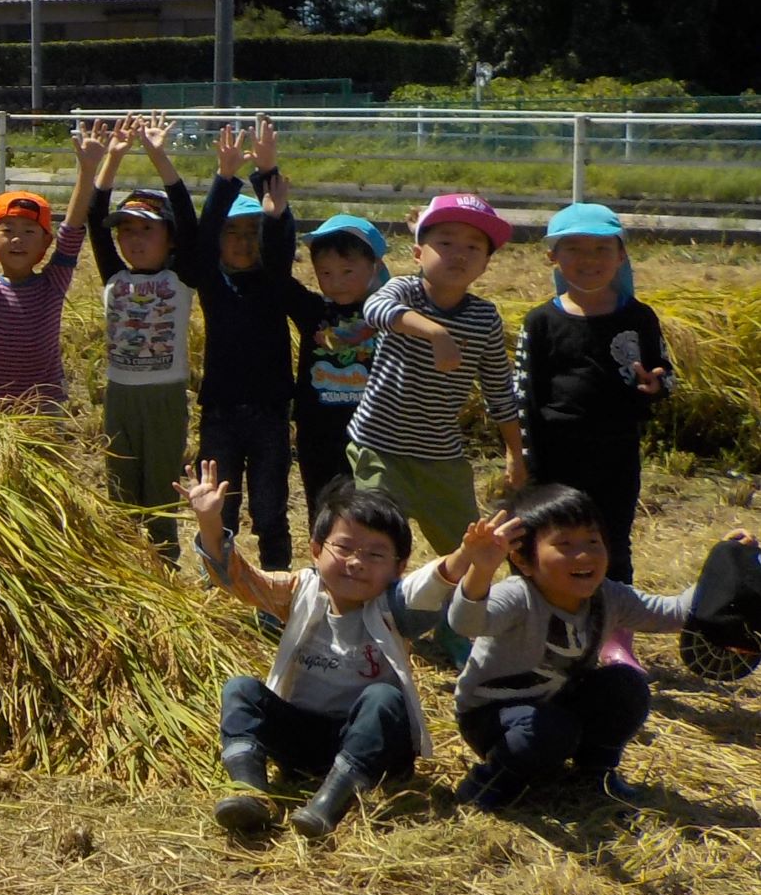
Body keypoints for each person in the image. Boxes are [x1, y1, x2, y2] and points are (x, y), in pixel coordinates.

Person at [184, 464, 481, 839]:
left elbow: (433, 582)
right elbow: (241, 580)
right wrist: (210, 522)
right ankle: (249, 791)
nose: (356, 562)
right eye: (343, 548)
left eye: (376, 555)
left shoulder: (394, 606)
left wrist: (466, 554)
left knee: (383, 698)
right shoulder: (300, 590)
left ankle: (327, 805)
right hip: (304, 738)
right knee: (240, 689)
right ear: (315, 550)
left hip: (372, 745)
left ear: (399, 567)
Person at [450, 485, 723, 808]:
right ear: (524, 560)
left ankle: (595, 774)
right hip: (491, 717)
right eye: (564, 544)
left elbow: (674, 613)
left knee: (625, 686)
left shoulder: (608, 597)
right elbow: (466, 623)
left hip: (554, 705)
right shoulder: (518, 596)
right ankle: (488, 785)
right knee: (551, 729)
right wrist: (481, 571)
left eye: (593, 542)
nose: (584, 555)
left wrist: (727, 566)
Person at [348, 192, 526, 570]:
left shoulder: (485, 318)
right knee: (375, 543)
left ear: (485, 264)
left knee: (467, 552)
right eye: (445, 243)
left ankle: (459, 610)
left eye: (473, 247)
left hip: (440, 456)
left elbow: (499, 389)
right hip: (380, 448)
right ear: (418, 253)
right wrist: (435, 332)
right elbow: (375, 309)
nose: (459, 254)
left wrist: (515, 452)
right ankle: (376, 605)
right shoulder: (404, 291)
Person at [515, 203, 671, 617]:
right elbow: (523, 394)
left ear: (621, 256)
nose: (589, 260)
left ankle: (614, 626)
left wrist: (655, 386)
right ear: (552, 256)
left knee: (611, 538)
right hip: (554, 453)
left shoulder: (639, 317)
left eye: (602, 249)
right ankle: (540, 618)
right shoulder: (540, 321)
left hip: (616, 451)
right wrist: (522, 458)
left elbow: (663, 372)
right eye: (575, 249)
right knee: (546, 536)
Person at [85, 115, 202, 556]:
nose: (134, 239)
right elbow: (94, 216)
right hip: (120, 395)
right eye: (127, 231)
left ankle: (164, 562)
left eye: (147, 229)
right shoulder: (114, 276)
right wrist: (112, 159)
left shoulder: (180, 278)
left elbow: (187, 217)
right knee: (120, 490)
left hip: (164, 397)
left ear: (170, 239)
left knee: (160, 492)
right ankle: (126, 563)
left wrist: (158, 156)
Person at [193, 117, 301, 570]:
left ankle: (276, 584)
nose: (242, 243)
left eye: (251, 233)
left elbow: (281, 237)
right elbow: (201, 237)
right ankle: (220, 582)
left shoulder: (274, 281)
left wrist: (266, 172)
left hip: (270, 414)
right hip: (220, 413)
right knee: (221, 506)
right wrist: (224, 177)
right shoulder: (211, 283)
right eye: (232, 233)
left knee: (270, 509)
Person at [0, 114, 98, 412]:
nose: (18, 239)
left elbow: (71, 230)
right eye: (7, 230)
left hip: (42, 408)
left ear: (45, 242)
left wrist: (87, 170)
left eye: (30, 231)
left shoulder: (53, 283)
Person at [270, 195, 388, 529]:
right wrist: (277, 219)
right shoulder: (314, 311)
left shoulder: (387, 313)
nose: (337, 281)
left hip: (371, 431)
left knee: (371, 508)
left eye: (348, 271)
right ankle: (324, 555)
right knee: (322, 506)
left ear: (374, 266)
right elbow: (277, 275)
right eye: (326, 273)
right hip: (317, 429)